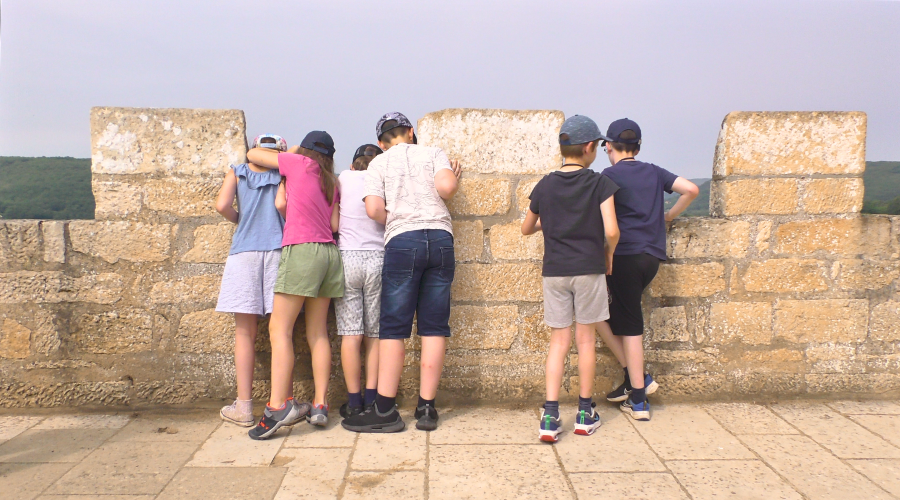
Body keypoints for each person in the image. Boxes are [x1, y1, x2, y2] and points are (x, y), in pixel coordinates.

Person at [341, 112, 462, 433]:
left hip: (402, 241)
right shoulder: (433, 152)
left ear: (381, 142)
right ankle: (426, 408)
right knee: (434, 326)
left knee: (394, 327)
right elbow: (447, 188)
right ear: (410, 132)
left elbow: (373, 210)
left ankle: (384, 410)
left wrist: (398, 220)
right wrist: (452, 175)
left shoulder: (378, 164)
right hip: (440, 238)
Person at [522, 115, 620, 443]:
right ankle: (583, 412)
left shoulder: (545, 185)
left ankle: (550, 415)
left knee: (558, 343)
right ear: (590, 147)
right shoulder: (599, 183)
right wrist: (608, 255)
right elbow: (611, 230)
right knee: (586, 341)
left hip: (555, 272)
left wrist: (546, 224)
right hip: (588, 269)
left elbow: (526, 227)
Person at [597, 118, 699, 421]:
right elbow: (691, 189)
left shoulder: (608, 174)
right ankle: (634, 378)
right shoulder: (654, 171)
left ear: (609, 147)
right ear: (638, 147)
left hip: (624, 256)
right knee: (607, 314)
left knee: (626, 324)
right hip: (652, 257)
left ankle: (639, 397)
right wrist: (668, 216)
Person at [245, 131, 344, 440]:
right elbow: (336, 226)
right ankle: (320, 404)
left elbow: (253, 156)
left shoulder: (298, 163)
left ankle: (278, 406)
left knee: (279, 329)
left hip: (302, 250)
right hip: (329, 254)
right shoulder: (333, 181)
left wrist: (294, 151)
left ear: (305, 149)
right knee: (317, 333)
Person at [214, 134, 288, 427]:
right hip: (277, 252)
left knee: (244, 334)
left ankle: (244, 407)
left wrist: (240, 221)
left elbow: (222, 205)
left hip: (243, 253)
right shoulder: (283, 174)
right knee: (281, 332)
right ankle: (281, 402)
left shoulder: (237, 171)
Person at [335, 144, 385, 418]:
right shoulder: (383, 179)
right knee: (375, 335)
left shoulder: (343, 177)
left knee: (351, 333)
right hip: (378, 258)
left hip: (347, 258)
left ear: (354, 164)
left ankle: (353, 402)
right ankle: (373, 399)